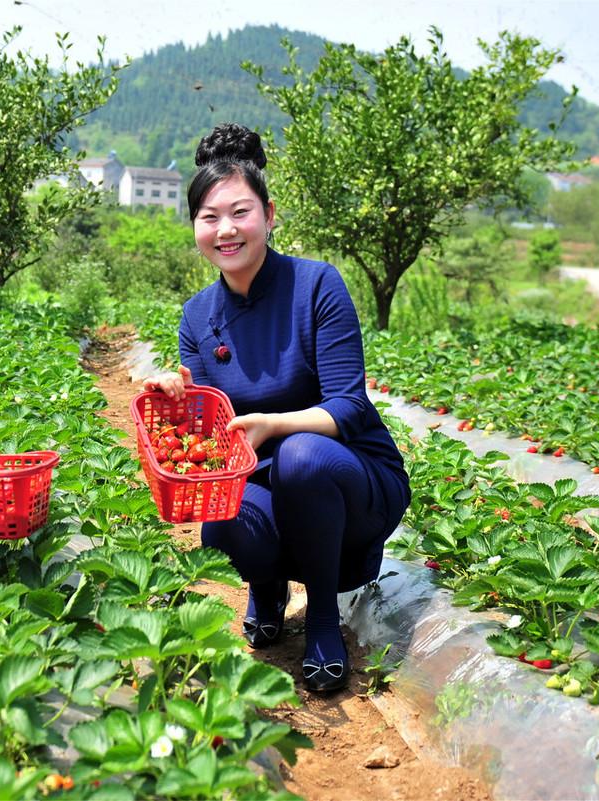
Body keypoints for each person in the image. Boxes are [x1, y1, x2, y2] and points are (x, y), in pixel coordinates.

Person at [143, 123, 410, 693]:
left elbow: (350, 406)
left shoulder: (316, 286)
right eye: (209, 217)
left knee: (300, 456)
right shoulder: (197, 315)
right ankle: (266, 588)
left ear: (268, 214)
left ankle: (320, 619)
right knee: (221, 519)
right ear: (194, 226)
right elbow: (212, 422)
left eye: (240, 213)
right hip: (261, 480)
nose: (226, 230)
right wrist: (178, 394)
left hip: (346, 476)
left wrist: (275, 427)